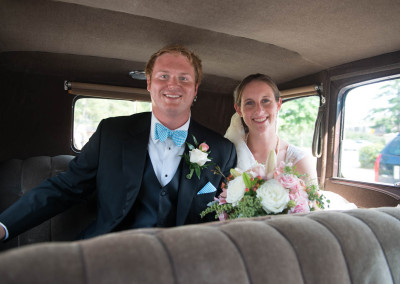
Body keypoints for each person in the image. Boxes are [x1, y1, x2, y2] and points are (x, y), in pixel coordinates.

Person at [0, 45, 237, 241]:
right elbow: (65, 188)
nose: (172, 85)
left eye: (183, 78)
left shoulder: (222, 150)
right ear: (148, 83)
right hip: (110, 252)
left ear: (195, 88)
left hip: (182, 261)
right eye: (163, 76)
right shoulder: (112, 133)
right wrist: (4, 225)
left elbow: (223, 217)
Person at [224, 73, 356, 210]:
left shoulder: (299, 160)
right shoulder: (228, 155)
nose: (259, 110)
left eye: (265, 101)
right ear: (239, 110)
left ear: (278, 104)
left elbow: (312, 211)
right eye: (249, 103)